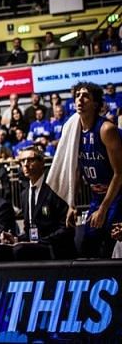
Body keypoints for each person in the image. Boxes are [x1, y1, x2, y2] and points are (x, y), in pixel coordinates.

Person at [50, 82, 122, 258]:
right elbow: (76, 170)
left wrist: (104, 209)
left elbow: (120, 173)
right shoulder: (74, 130)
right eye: (77, 95)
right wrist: (72, 203)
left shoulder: (106, 129)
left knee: (110, 242)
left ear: (96, 103)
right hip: (97, 197)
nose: (80, 99)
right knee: (88, 245)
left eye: (86, 95)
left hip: (118, 195)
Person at [0, 146, 73, 261]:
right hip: (35, 245)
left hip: (53, 246)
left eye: (30, 160)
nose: (25, 164)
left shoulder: (55, 189)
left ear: (42, 163)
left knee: (20, 250)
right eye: (22, 161)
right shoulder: (24, 194)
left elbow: (65, 228)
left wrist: (39, 241)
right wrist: (16, 239)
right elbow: (29, 230)